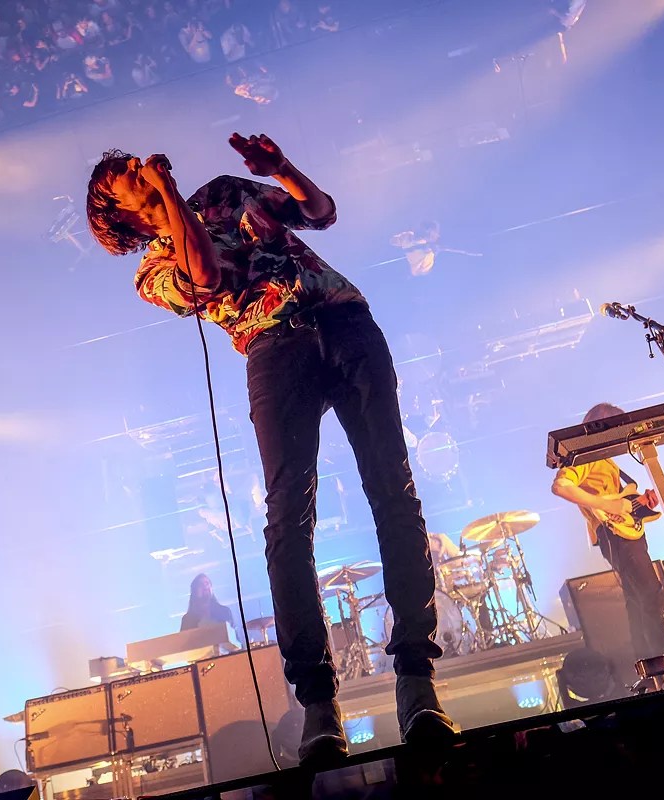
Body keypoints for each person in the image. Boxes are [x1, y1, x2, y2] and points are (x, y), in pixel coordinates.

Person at [85, 134, 456, 767]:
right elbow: (205, 275)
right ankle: (318, 703)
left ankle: (418, 680)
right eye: (120, 173)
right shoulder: (151, 274)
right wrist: (168, 192)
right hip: (273, 348)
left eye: (133, 162)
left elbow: (320, 212)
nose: (134, 165)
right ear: (113, 211)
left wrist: (281, 168)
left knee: (393, 489)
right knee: (288, 517)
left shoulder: (224, 193)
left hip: (344, 321)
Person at [550, 403, 664, 690]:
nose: (622, 430)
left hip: (625, 531)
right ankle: (663, 662)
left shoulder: (606, 460)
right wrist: (608, 505)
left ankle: (649, 666)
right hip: (613, 533)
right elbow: (561, 487)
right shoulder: (584, 455)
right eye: (617, 423)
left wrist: (641, 502)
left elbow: (622, 501)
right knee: (649, 594)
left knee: (637, 598)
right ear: (599, 424)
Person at [180, 573, 242, 643]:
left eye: (207, 583)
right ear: (194, 592)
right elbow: (183, 643)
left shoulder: (224, 611)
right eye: (200, 584)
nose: (205, 586)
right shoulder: (187, 619)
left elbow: (236, 639)